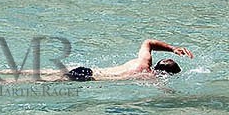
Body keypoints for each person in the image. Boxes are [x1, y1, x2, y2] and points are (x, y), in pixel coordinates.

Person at [47, 39, 193, 82]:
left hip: (87, 70)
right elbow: (163, 89)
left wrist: (173, 48)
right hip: (86, 78)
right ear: (165, 74)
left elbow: (148, 42)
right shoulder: (149, 76)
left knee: (40, 73)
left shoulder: (143, 61)